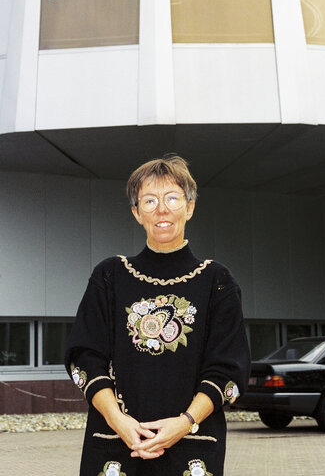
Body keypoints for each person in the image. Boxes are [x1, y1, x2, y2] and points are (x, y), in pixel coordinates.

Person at [65, 155, 251, 476]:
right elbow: (85, 357)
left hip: (192, 447)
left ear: (189, 208)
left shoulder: (217, 282)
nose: (161, 209)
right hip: (117, 444)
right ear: (137, 213)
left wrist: (185, 423)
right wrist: (118, 421)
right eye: (149, 200)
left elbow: (229, 369)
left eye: (172, 198)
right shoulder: (109, 276)